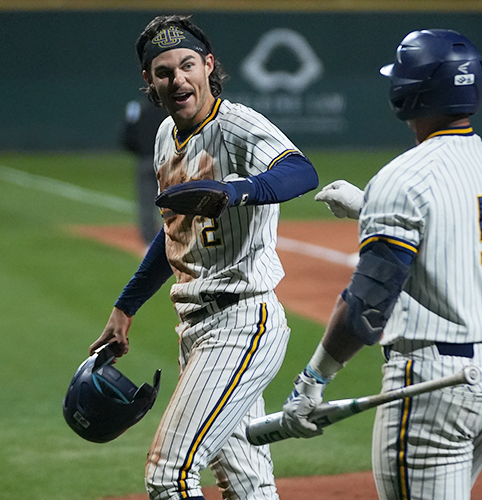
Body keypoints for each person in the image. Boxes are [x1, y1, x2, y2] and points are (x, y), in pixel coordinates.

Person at [281, 30, 482, 500]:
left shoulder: (404, 176)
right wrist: (370, 206)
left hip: (434, 389)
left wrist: (312, 380)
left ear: (412, 91)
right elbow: (446, 232)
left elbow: (366, 307)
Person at [90, 14, 318, 500]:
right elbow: (176, 234)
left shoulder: (238, 125)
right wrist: (125, 305)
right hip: (196, 329)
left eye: (188, 65)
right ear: (149, 81)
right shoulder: (162, 138)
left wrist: (238, 191)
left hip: (242, 322)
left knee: (168, 475)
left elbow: (301, 172)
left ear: (209, 66)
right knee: (246, 484)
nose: (178, 79)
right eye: (164, 70)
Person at [121, 99, 170, 245]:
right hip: (166, 162)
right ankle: (175, 235)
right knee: (174, 200)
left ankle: (149, 240)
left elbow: (127, 137)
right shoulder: (170, 112)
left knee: (146, 202)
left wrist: (139, 152)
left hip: (145, 160)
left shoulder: (139, 110)